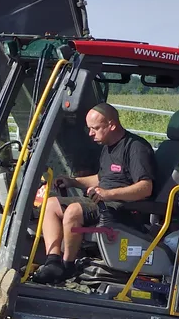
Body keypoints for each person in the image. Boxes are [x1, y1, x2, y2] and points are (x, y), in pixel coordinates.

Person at [31, 104, 155, 286]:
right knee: (51, 204)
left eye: (95, 128)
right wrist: (73, 181)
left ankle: (68, 266)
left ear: (111, 125)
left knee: (74, 210)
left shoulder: (135, 148)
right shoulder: (107, 147)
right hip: (101, 201)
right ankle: (53, 261)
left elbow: (146, 188)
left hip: (122, 209)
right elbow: (101, 178)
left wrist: (108, 194)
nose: (90, 134)